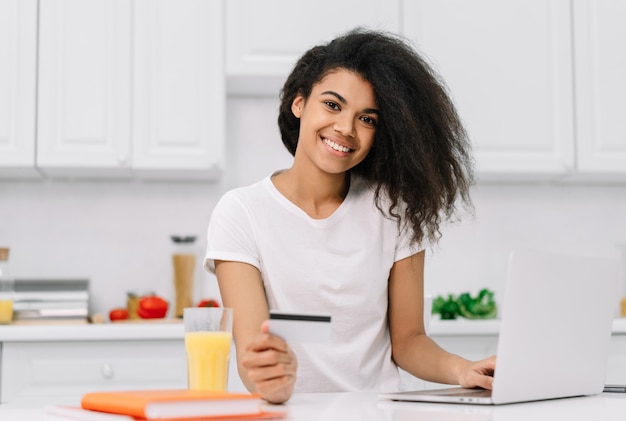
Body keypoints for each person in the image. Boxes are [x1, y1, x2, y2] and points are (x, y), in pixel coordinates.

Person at [204, 28, 495, 404]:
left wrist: (462, 369)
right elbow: (252, 353)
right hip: (292, 411)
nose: (346, 128)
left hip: (381, 409)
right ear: (299, 103)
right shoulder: (241, 213)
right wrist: (271, 381)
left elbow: (408, 342)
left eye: (368, 119)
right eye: (332, 105)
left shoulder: (394, 209)